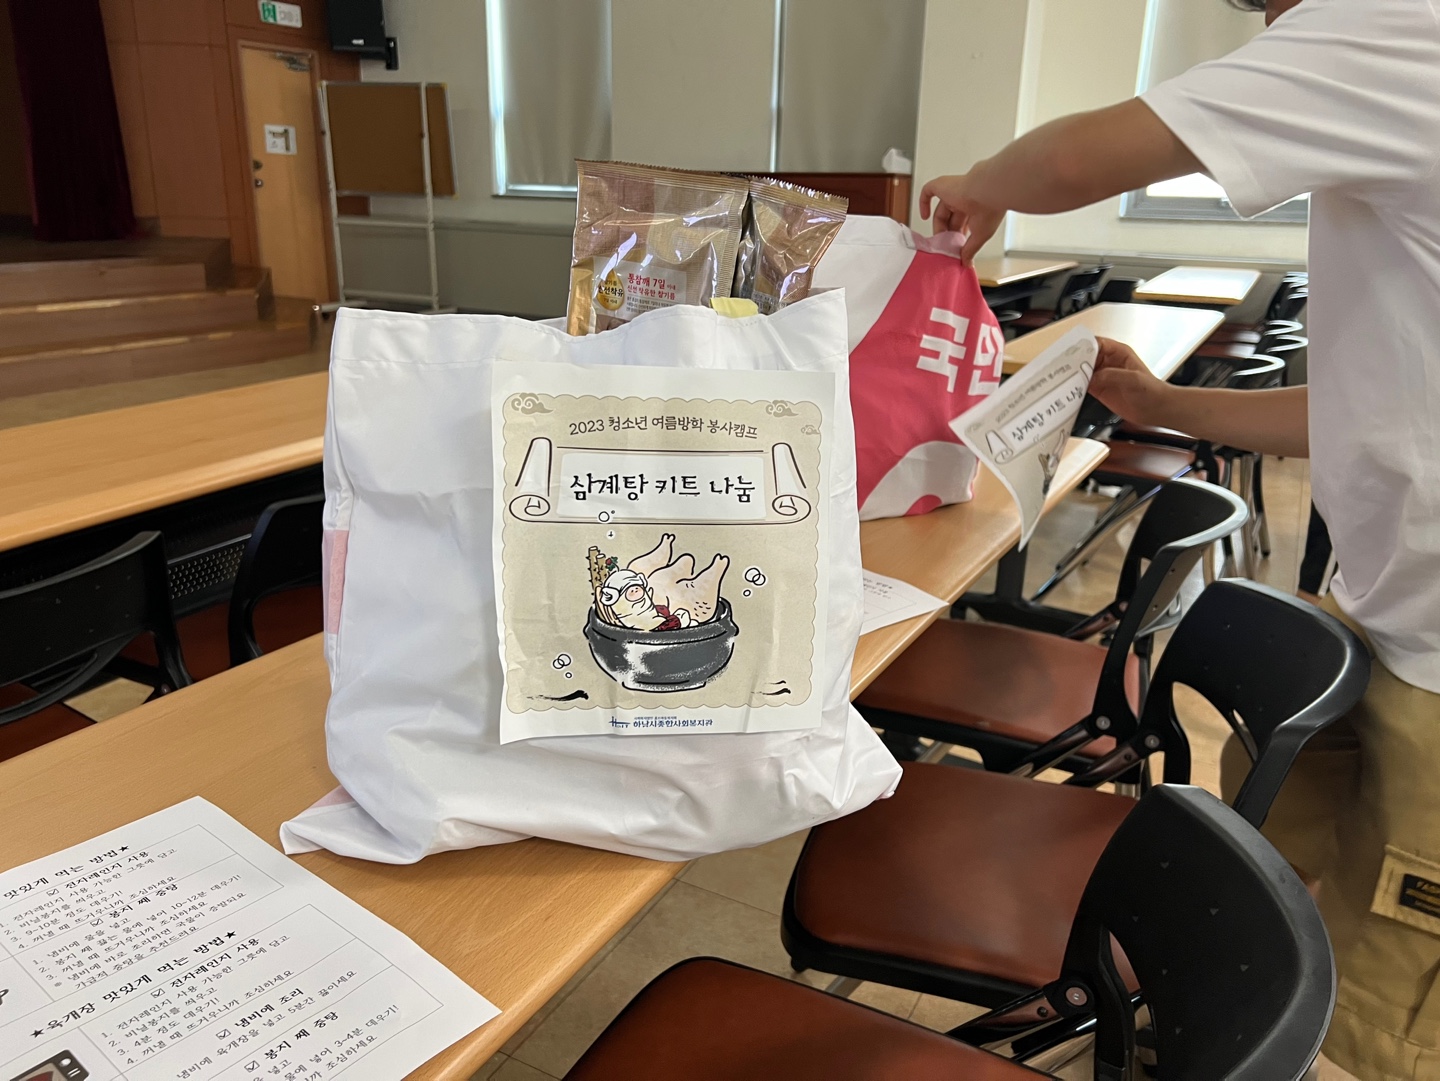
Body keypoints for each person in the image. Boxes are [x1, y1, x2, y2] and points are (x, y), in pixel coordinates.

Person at [918, 0, 1440, 1076]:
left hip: (1435, 650)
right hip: (1384, 602)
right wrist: (1166, 407)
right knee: (1273, 913)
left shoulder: (1396, 21)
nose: (1275, 28)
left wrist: (979, 184)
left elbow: (1078, 157)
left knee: (1388, 1010)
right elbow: (1371, 404)